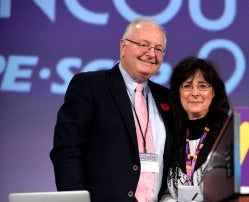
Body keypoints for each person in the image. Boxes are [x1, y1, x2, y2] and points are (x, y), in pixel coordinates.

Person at [50, 17, 173, 202]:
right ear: (123, 46)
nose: (151, 53)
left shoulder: (167, 98)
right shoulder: (90, 86)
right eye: (143, 44)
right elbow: (67, 151)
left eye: (158, 49)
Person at [160, 56, 231, 201]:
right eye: (187, 86)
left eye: (203, 86)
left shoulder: (228, 137)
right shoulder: (168, 135)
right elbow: (165, 191)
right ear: (178, 92)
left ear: (214, 92)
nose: (194, 92)